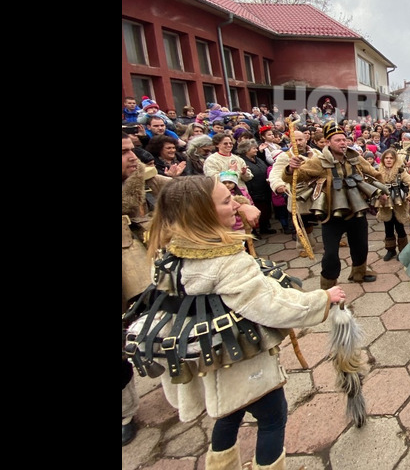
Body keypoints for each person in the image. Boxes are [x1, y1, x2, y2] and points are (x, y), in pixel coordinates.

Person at [143, 174, 343, 470]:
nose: (236, 206)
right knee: (273, 419)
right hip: (237, 360)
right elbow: (273, 307)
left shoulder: (166, 253)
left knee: (228, 412)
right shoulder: (227, 263)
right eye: (227, 201)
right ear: (202, 213)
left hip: (205, 360)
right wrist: (323, 299)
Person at [288, 121, 388, 288]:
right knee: (331, 254)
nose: (342, 143)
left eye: (344, 139)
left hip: (356, 212)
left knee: (361, 246)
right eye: (337, 140)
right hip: (331, 215)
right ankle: (328, 285)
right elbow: (298, 176)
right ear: (327, 142)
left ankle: (359, 273)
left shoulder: (355, 158)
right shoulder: (318, 161)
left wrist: (382, 192)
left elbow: (374, 173)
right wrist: (291, 169)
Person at [122, 131, 172, 446]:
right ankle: (125, 412)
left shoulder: (146, 179)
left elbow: (183, 190)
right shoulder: (137, 182)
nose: (131, 157)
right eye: (123, 152)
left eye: (131, 149)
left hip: (149, 261)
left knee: (164, 323)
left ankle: (177, 383)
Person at [376, 148, 410, 261]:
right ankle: (390, 250)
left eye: (391, 158)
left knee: (400, 227)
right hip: (385, 204)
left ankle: (403, 251)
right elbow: (372, 185)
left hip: (399, 204)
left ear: (395, 159)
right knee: (388, 228)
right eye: (386, 158)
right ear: (383, 159)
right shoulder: (378, 171)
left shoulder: (401, 171)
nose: (389, 160)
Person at [238, 138, 276, 237]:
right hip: (254, 190)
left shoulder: (257, 159)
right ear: (246, 150)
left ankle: (264, 227)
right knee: (256, 211)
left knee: (265, 210)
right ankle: (254, 232)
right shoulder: (242, 161)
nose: (256, 150)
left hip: (264, 188)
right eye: (253, 148)